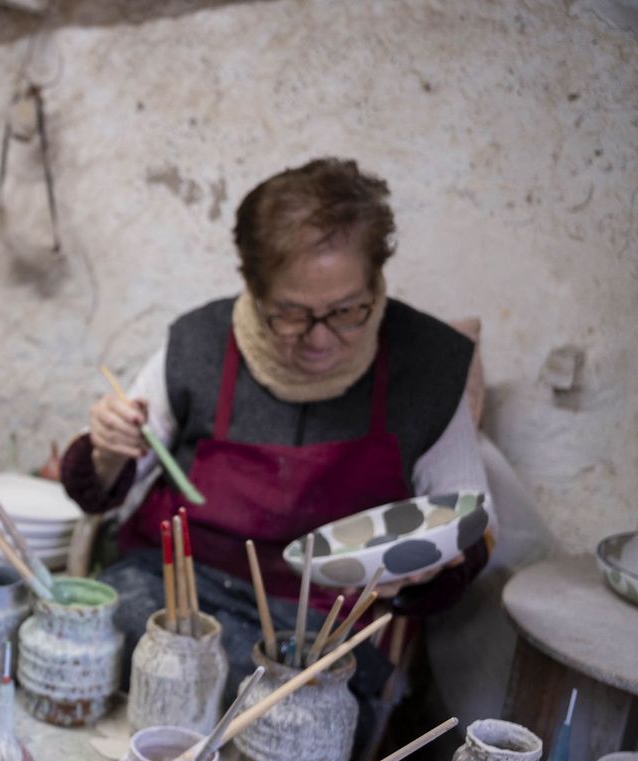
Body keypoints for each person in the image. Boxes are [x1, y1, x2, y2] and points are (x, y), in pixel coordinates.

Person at [63, 158, 489, 721]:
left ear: (376, 282)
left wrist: (429, 567)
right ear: (253, 288)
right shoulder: (202, 341)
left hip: (321, 618)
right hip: (173, 588)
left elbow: (472, 525)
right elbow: (98, 491)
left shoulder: (427, 365)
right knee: (93, 645)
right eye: (290, 313)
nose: (320, 340)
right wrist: (107, 450)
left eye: (347, 310)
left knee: (292, 714)